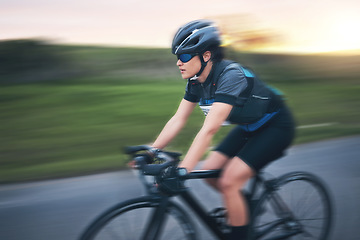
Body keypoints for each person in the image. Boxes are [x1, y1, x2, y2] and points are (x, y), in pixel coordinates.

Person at [149, 19, 295, 240]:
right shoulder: (196, 81)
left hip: (277, 126)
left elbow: (209, 130)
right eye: (177, 57)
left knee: (229, 181)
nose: (179, 62)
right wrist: (152, 151)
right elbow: (178, 119)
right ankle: (242, 207)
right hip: (249, 127)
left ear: (206, 56)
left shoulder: (231, 76)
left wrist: (183, 171)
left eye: (185, 56)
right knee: (210, 173)